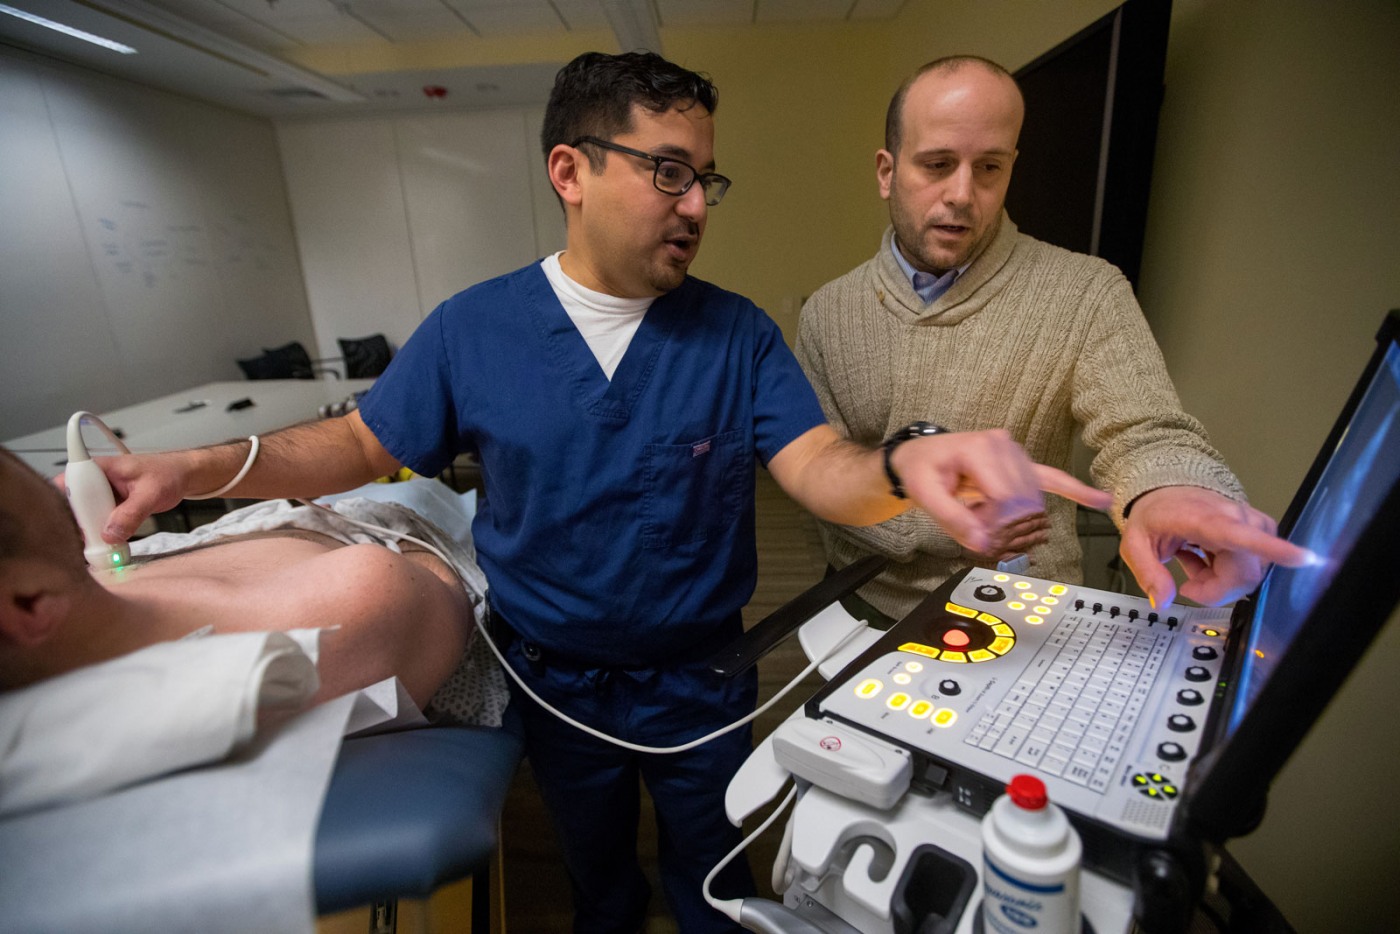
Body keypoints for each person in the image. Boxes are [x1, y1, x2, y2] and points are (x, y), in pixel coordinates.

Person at [74, 52, 1111, 932]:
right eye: (668, 172)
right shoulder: (472, 332)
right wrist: (198, 471)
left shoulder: (735, 335)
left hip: (701, 684)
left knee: (711, 876)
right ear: (569, 170)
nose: (697, 204)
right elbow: (355, 443)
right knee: (596, 883)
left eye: (707, 176)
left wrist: (895, 466)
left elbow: (818, 469)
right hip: (553, 686)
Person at [796, 55, 1308, 626]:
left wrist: (1167, 489)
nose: (963, 193)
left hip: (1027, 617)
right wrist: (952, 526)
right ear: (887, 171)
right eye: (937, 164)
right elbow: (821, 475)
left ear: (1012, 166)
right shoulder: (828, 313)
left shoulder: (1086, 291)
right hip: (868, 612)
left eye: (989, 167)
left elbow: (1144, 432)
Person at [0, 447, 474, 710]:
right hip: (405, 526)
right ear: (27, 605)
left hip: (322, 517)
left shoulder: (71, 600)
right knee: (425, 485)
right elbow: (444, 577)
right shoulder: (348, 605)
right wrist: (391, 537)